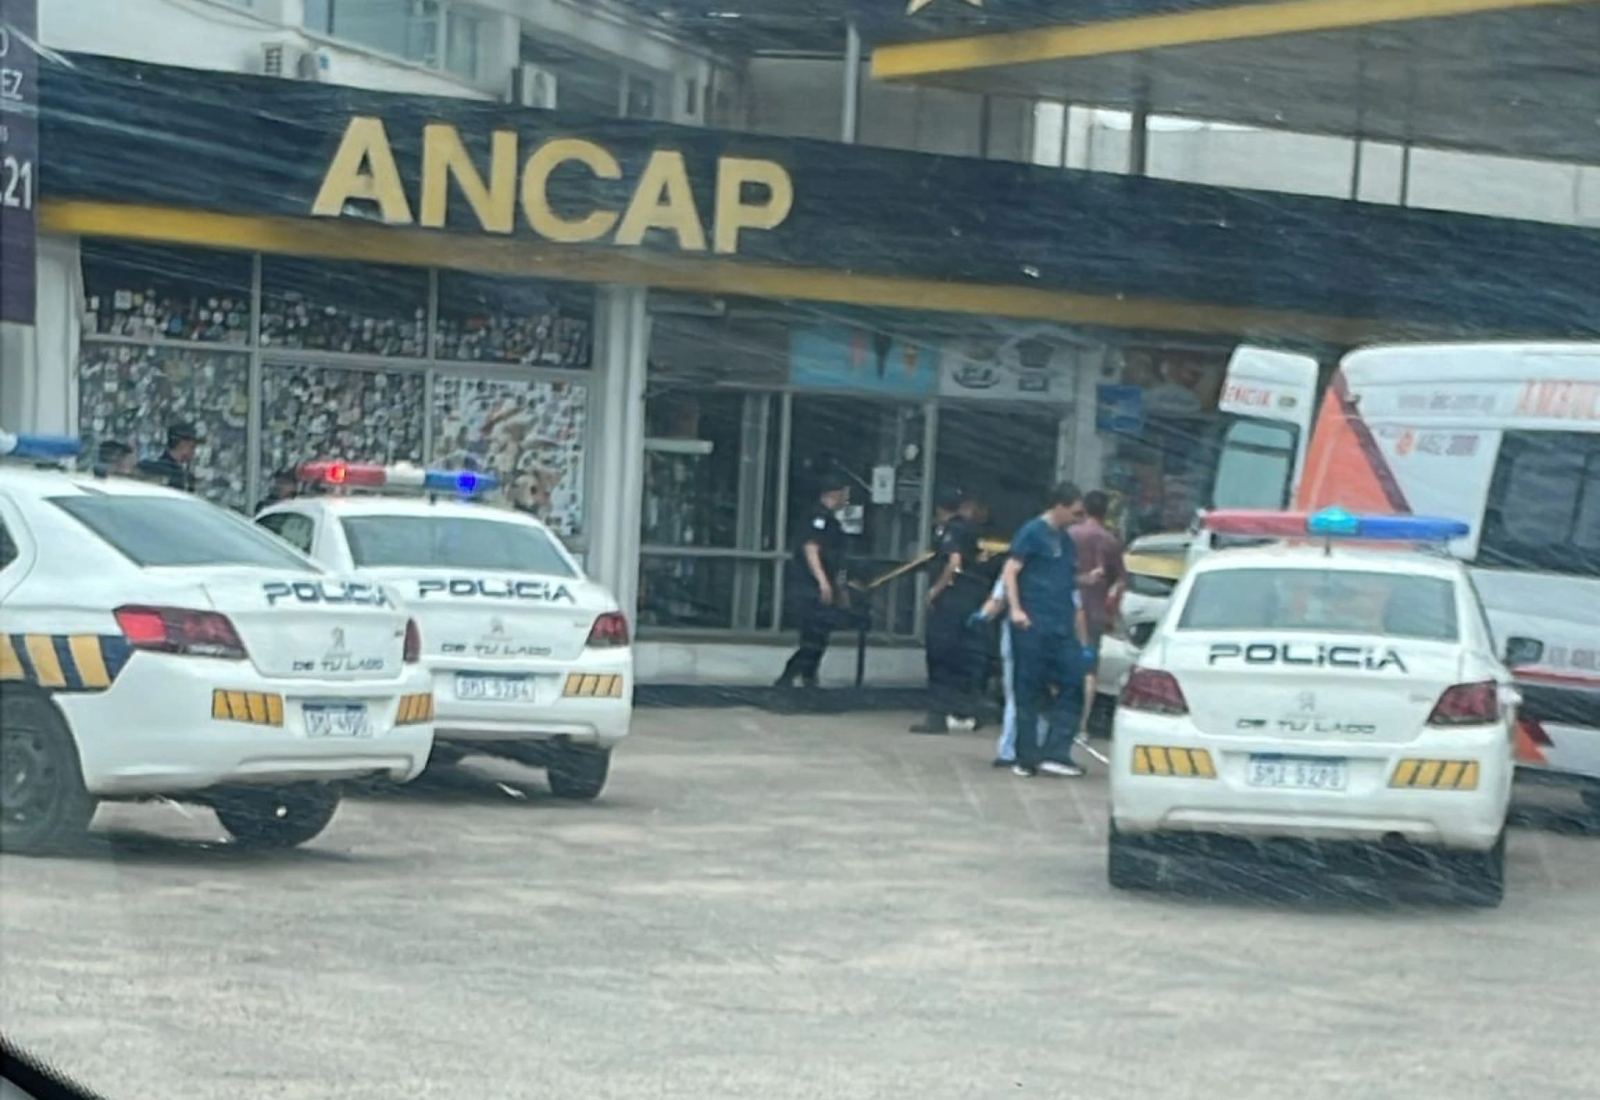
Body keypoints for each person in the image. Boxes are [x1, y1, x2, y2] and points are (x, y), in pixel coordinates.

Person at [1001, 482, 1093, 778]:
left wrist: (1086, 580)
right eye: (1076, 512)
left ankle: (1056, 751)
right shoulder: (1032, 532)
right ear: (1059, 506)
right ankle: (1025, 755)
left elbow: (1063, 577)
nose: (1079, 519)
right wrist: (1016, 609)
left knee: (1072, 681)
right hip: (1033, 622)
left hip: (1060, 623)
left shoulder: (1065, 541)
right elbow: (1010, 570)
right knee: (1028, 688)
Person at [910, 489, 986, 734]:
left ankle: (937, 715)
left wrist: (935, 591)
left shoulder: (952, 530)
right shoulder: (969, 529)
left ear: (940, 510)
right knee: (960, 659)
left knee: (940, 657)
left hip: (951, 603)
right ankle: (964, 711)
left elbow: (954, 563)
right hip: (968, 602)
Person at [774, 471, 850, 689]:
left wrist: (839, 589)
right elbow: (811, 548)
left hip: (820, 588)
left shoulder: (831, 522)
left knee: (819, 638)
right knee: (812, 638)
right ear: (834, 494)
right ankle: (788, 679)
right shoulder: (817, 518)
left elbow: (835, 559)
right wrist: (822, 582)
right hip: (809, 588)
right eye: (844, 494)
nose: (846, 500)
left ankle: (808, 680)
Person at [973, 578, 1050, 767]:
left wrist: (982, 616)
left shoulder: (1015, 570)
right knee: (1043, 697)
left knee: (1016, 696)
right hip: (1048, 640)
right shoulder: (1059, 570)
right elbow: (1075, 610)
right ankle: (1036, 747)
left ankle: (1010, 750)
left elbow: (997, 602)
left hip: (1018, 639)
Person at [1069, 489, 1127, 721]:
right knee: (1089, 669)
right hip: (1095, 610)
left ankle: (1059, 715)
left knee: (1061, 661)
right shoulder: (1110, 541)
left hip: (1067, 607)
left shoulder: (1070, 535)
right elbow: (1121, 581)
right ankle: (1081, 724)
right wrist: (1111, 609)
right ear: (1105, 512)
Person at [137, 422, 199, 492]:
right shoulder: (177, 476)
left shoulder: (150, 467)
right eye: (192, 447)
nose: (194, 452)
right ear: (183, 444)